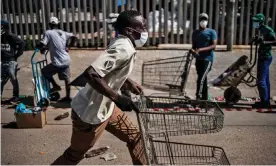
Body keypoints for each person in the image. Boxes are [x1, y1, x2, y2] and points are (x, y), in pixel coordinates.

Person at [51, 10, 148, 165]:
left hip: (106, 107)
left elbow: (111, 70)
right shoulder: (123, 48)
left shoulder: (122, 42)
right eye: (142, 28)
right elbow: (91, 74)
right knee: (73, 156)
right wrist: (118, 98)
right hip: (90, 114)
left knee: (136, 137)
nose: (145, 31)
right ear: (129, 30)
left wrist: (127, 82)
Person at [36, 17, 77, 102]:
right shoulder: (63, 32)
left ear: (50, 25)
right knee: (67, 79)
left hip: (57, 62)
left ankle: (55, 86)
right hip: (66, 60)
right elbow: (74, 37)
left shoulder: (48, 32)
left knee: (44, 71)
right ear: (57, 24)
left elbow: (42, 44)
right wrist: (69, 46)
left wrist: (39, 47)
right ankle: (68, 97)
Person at [190, 13, 217, 100]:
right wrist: (192, 51)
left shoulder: (211, 32)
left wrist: (200, 50)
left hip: (207, 59)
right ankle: (205, 99)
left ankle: (198, 97)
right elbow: (194, 46)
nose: (203, 21)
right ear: (199, 21)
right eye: (202, 19)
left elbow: (213, 46)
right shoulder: (195, 33)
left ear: (207, 21)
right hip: (198, 59)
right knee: (203, 78)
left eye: (205, 20)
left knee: (200, 79)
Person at [252, 13, 276, 107]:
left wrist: (265, 42)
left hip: (266, 57)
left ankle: (265, 103)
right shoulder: (260, 29)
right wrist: (258, 40)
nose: (254, 23)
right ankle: (265, 100)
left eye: (256, 21)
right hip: (261, 56)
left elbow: (275, 41)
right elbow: (263, 39)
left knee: (261, 81)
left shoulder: (268, 29)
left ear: (260, 21)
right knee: (265, 80)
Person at [1, 20, 25, 103]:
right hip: (3, 61)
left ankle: (16, 96)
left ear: (5, 27)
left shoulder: (11, 36)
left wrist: (17, 55)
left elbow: (22, 43)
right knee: (1, 80)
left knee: (13, 78)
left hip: (11, 61)